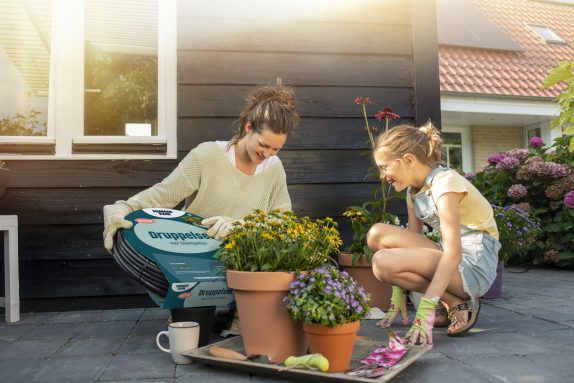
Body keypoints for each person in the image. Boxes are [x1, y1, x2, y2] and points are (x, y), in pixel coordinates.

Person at [102, 78, 300, 334]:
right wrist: (123, 208)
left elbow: (284, 221)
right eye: (263, 145)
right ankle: (205, 310)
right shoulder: (207, 156)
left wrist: (243, 226)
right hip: (198, 259)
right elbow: (163, 194)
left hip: (246, 261)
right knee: (193, 328)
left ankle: (241, 315)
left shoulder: (274, 169)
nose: (268, 154)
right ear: (248, 127)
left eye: (276, 149)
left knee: (281, 252)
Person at [366, 122, 500, 345]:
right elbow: (406, 249)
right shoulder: (414, 191)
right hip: (452, 258)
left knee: (382, 262)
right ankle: (454, 301)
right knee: (376, 234)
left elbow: (453, 254)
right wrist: (399, 293)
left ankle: (458, 300)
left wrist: (424, 311)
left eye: (385, 167)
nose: (382, 175)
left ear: (408, 160)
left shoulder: (445, 185)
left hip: (474, 265)